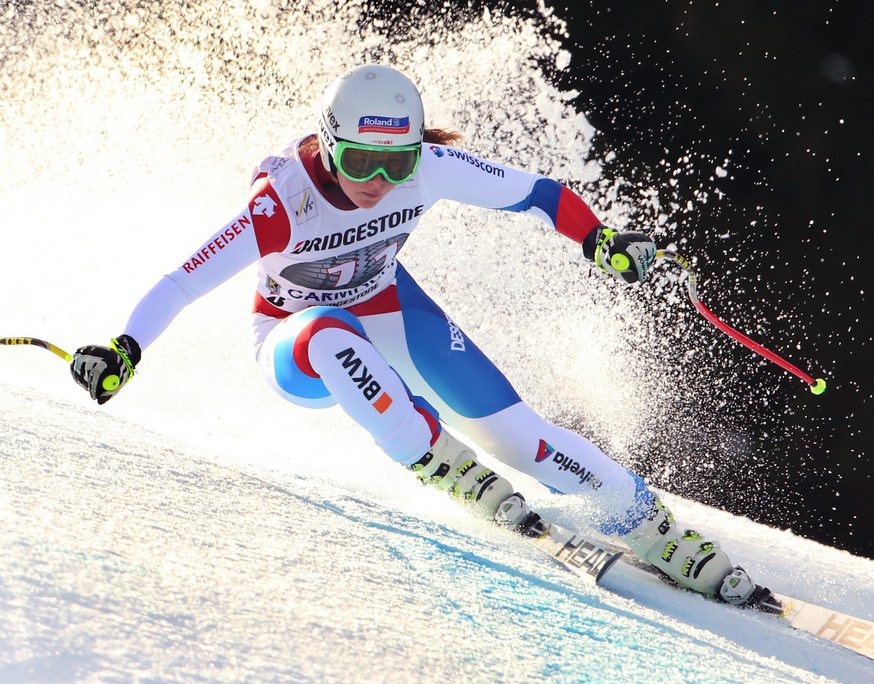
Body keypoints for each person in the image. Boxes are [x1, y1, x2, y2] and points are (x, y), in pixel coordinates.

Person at [70, 64, 761, 606]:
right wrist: (124, 347)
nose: (377, 182)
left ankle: (650, 524)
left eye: (395, 164)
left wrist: (600, 239)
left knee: (521, 434)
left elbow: (540, 195)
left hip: (390, 308)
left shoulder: (428, 167)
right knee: (335, 334)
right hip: (298, 341)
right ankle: (436, 458)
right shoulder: (282, 204)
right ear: (327, 144)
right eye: (360, 162)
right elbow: (183, 281)